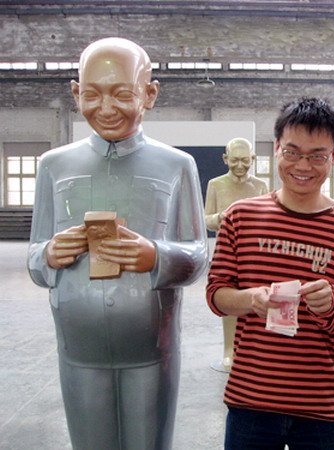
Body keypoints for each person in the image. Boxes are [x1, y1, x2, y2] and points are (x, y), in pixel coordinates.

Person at [27, 37, 209, 450]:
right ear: (76, 93)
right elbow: (35, 254)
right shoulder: (54, 166)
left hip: (151, 346)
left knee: (149, 440)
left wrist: (156, 256)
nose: (106, 108)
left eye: (122, 94)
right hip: (79, 345)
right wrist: (49, 255)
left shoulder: (176, 165)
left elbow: (198, 253)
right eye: (92, 95)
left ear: (150, 94)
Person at [206, 97, 334, 449]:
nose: (303, 166)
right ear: (276, 149)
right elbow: (216, 295)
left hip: (321, 405)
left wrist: (333, 302)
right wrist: (250, 299)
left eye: (317, 156)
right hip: (251, 400)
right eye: (292, 152)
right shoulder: (241, 216)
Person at [204, 137, 268, 371]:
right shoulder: (216, 184)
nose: (240, 165)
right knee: (228, 301)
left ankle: (252, 350)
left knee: (257, 301)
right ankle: (229, 350)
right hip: (227, 254)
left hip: (255, 255)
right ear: (225, 159)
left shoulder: (260, 186)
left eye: (245, 160)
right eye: (234, 160)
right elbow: (206, 219)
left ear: (253, 159)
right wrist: (220, 217)